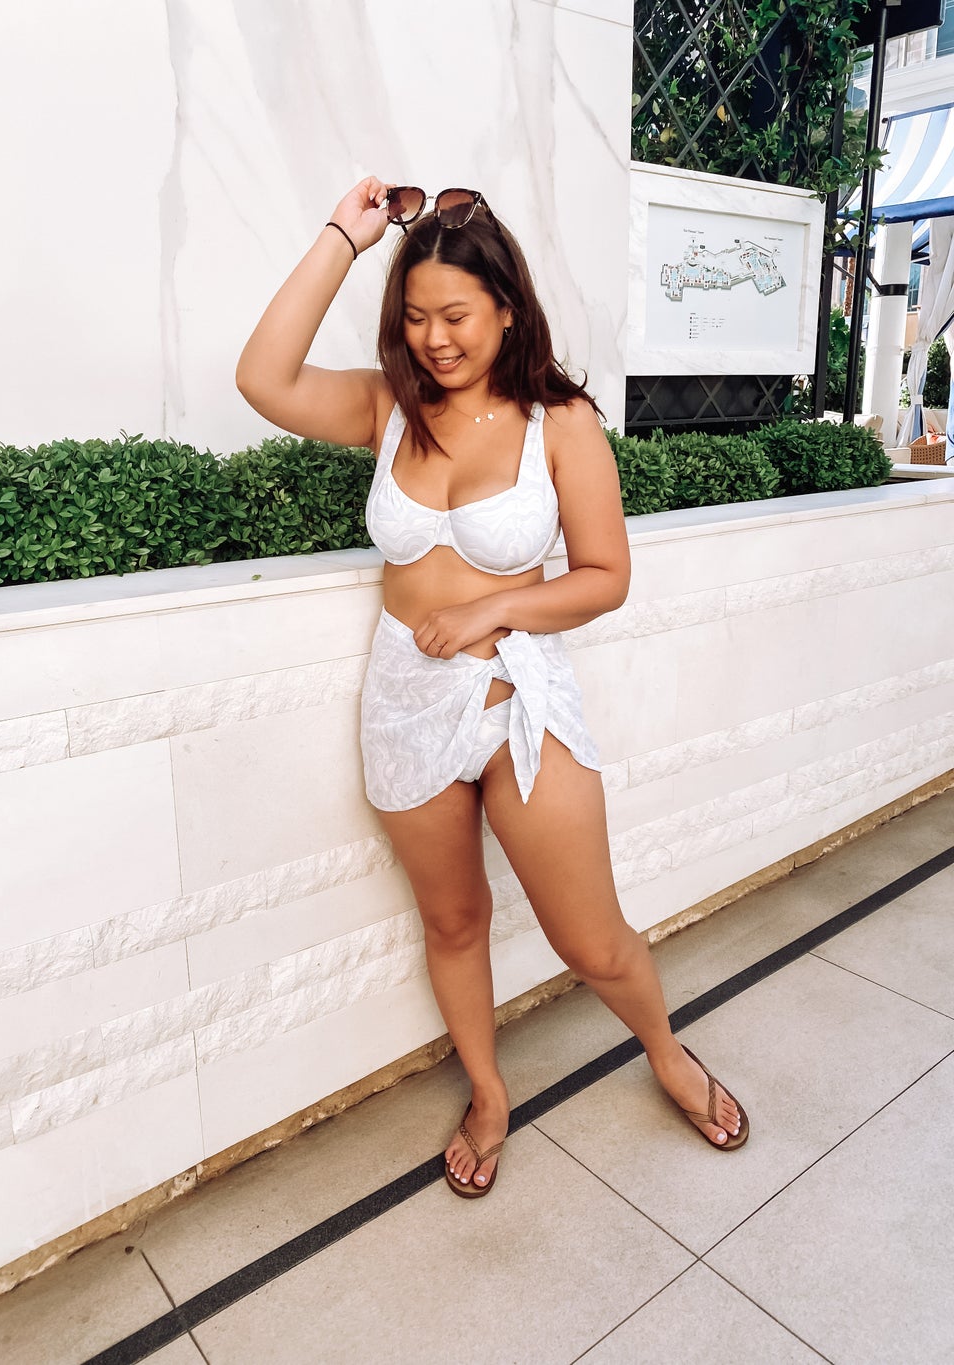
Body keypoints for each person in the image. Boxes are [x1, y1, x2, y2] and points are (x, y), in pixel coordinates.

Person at [236, 177, 748, 1199]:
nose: (435, 338)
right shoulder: (388, 406)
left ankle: (665, 1050)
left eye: (456, 315)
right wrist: (345, 233)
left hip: (515, 697)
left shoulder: (559, 421)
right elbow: (261, 375)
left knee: (588, 937)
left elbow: (605, 577)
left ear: (507, 307)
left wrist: (489, 612)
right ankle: (486, 1092)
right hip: (404, 701)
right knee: (454, 923)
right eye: (416, 316)